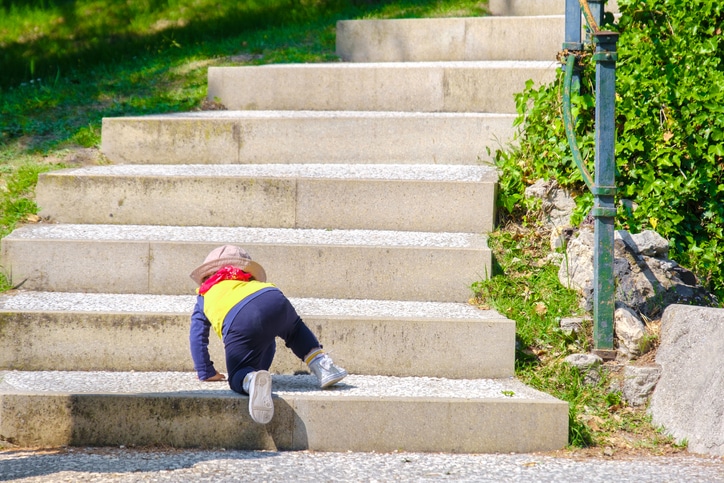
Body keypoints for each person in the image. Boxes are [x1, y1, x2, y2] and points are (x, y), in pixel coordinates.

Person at [189, 245, 348, 424]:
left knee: (237, 375)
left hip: (240, 319)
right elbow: (267, 341)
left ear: (206, 276)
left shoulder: (205, 295)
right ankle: (322, 365)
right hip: (271, 297)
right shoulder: (250, 282)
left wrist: (206, 371)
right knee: (295, 330)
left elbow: (197, 336)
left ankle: (249, 380)